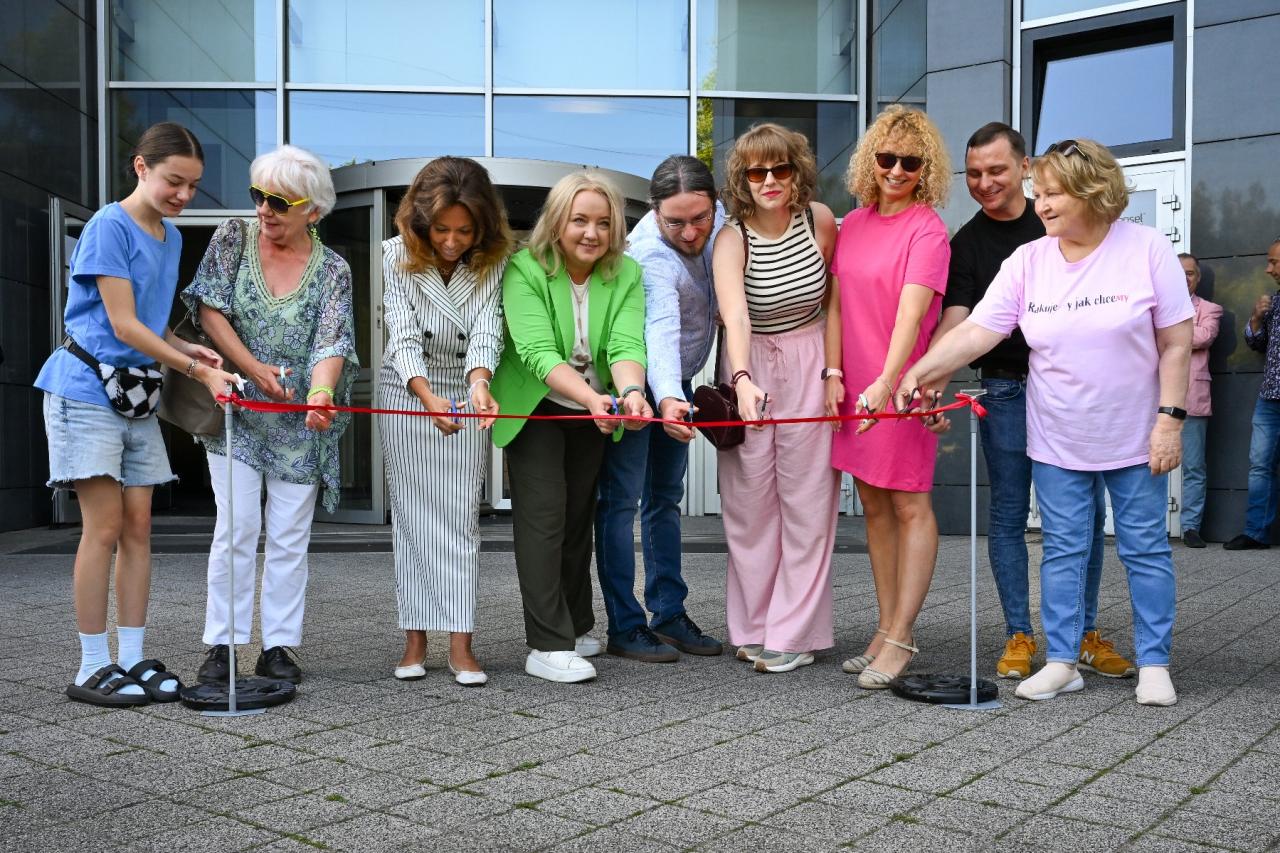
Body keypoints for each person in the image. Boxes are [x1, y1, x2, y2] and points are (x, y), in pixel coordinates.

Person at [901, 138, 1192, 706]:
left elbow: (1176, 344)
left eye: (1055, 194)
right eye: (1040, 193)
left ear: (1093, 192)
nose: (1042, 204)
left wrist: (1170, 421)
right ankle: (1062, 661)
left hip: (1136, 435)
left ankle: (1155, 663)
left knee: (1144, 549)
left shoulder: (1147, 248)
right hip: (1057, 435)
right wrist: (917, 374)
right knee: (1062, 549)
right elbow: (977, 331)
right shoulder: (1029, 261)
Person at [35, 122, 235, 706]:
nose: (184, 195)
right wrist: (196, 370)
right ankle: (91, 664)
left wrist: (187, 345)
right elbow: (121, 325)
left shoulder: (168, 238)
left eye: (193, 186)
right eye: (175, 181)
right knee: (103, 528)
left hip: (135, 396)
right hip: (84, 390)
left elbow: (148, 325)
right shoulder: (108, 226)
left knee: (139, 529)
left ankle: (131, 656)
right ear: (141, 167)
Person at [929, 123, 1131, 681]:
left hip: (1071, 388)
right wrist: (928, 377)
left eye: (996, 170)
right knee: (1008, 514)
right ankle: (1019, 633)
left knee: (1084, 516)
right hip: (1006, 390)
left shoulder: (1058, 219)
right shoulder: (967, 243)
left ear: (1024, 167)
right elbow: (959, 320)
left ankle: (1083, 633)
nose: (985, 182)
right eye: (974, 173)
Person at [184, 145, 358, 686]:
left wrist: (322, 394)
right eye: (259, 195)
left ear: (314, 210)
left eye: (280, 202)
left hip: (300, 421)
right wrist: (253, 369)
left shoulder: (333, 269)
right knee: (236, 527)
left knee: (288, 536)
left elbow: (333, 340)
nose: (264, 209)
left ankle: (278, 646)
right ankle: (223, 644)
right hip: (238, 408)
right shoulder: (232, 238)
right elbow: (209, 310)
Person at [490, 172, 652, 683]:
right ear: (558, 222)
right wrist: (592, 398)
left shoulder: (626, 272)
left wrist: (631, 392)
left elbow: (626, 344)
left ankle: (577, 626)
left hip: (593, 409)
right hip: (537, 405)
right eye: (580, 220)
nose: (592, 233)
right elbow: (537, 353)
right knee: (544, 519)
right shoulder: (525, 267)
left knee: (578, 518)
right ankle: (546, 644)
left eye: (603, 223)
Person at [825, 106, 950, 689]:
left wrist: (887, 379)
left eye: (910, 162)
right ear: (870, 160)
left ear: (926, 169)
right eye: (886, 158)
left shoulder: (928, 229)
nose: (896, 170)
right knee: (874, 505)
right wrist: (835, 373)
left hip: (898, 388)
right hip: (856, 385)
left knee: (909, 505)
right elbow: (835, 306)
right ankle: (885, 627)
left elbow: (913, 313)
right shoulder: (852, 224)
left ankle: (902, 636)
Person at [712, 123, 839, 674]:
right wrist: (741, 378)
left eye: (780, 169)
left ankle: (795, 632)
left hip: (810, 356)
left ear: (796, 172)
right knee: (750, 505)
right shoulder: (731, 238)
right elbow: (735, 315)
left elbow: (835, 300)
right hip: (751, 362)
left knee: (808, 502)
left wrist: (833, 370)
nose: (769, 180)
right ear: (742, 180)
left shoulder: (820, 220)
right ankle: (754, 626)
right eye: (756, 171)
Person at [378, 157, 510, 686]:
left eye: (464, 231)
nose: (452, 242)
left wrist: (479, 383)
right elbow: (402, 332)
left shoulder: (494, 260)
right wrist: (426, 395)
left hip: (466, 387)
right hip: (409, 389)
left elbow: (488, 327)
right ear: (420, 223)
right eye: (441, 230)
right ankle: (414, 639)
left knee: (460, 518)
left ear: (481, 227)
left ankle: (461, 642)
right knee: (411, 518)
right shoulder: (394, 255)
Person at [593, 155, 724, 662]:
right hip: (636, 383)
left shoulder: (720, 222)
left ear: (715, 205)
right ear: (653, 211)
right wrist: (668, 399)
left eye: (700, 219)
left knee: (665, 499)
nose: (690, 233)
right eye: (676, 222)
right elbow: (661, 330)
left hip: (678, 383)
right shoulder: (649, 254)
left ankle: (668, 613)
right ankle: (625, 626)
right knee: (622, 502)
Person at [1223, 239, 1280, 551]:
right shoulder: (1274, 302)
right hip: (1270, 398)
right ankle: (1256, 533)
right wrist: (1256, 318)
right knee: (1260, 466)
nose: (1268, 269)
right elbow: (1256, 344)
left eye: (1274, 262)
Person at [1177, 253, 1221, 548]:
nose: (1184, 278)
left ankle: (1190, 526)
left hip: (1193, 397)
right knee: (1145, 465)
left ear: (1198, 278)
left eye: (1190, 273)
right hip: (1153, 399)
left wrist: (1166, 330)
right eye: (1178, 272)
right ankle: (1149, 525)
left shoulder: (1210, 309)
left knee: (1193, 467)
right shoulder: (1154, 307)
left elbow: (1203, 337)